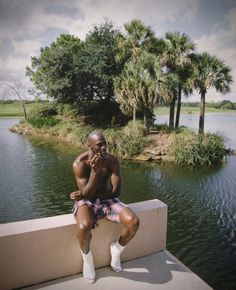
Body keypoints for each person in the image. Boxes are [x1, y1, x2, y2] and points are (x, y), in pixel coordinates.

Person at [70, 131, 139, 283]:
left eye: (105, 143)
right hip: (86, 202)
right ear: (90, 145)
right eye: (99, 144)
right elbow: (87, 196)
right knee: (83, 226)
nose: (104, 147)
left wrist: (93, 195)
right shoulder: (79, 163)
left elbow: (116, 191)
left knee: (133, 222)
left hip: (106, 198)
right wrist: (94, 171)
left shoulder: (112, 161)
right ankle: (87, 260)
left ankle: (117, 250)